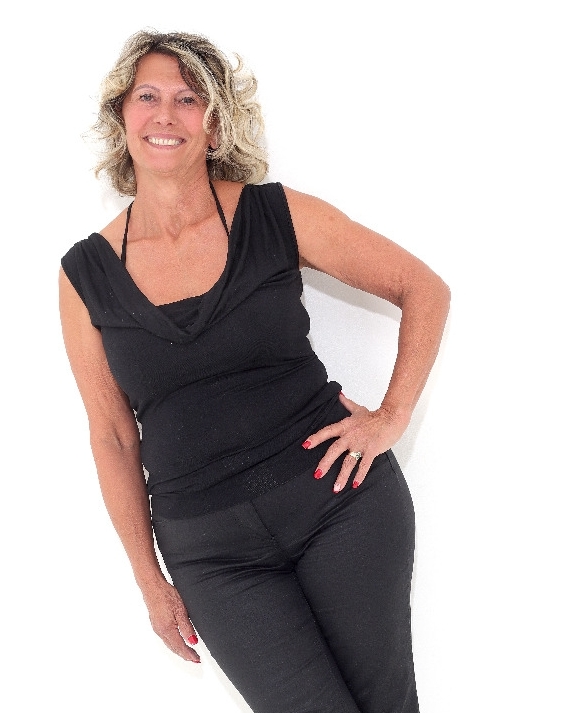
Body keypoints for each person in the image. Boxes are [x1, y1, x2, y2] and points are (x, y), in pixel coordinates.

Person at [59, 29, 450, 713]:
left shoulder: (275, 214)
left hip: (340, 504)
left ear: (214, 126)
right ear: (121, 116)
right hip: (212, 557)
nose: (165, 114)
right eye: (147, 96)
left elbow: (422, 287)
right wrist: (150, 582)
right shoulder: (84, 274)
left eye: (189, 99)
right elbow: (113, 435)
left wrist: (391, 417)